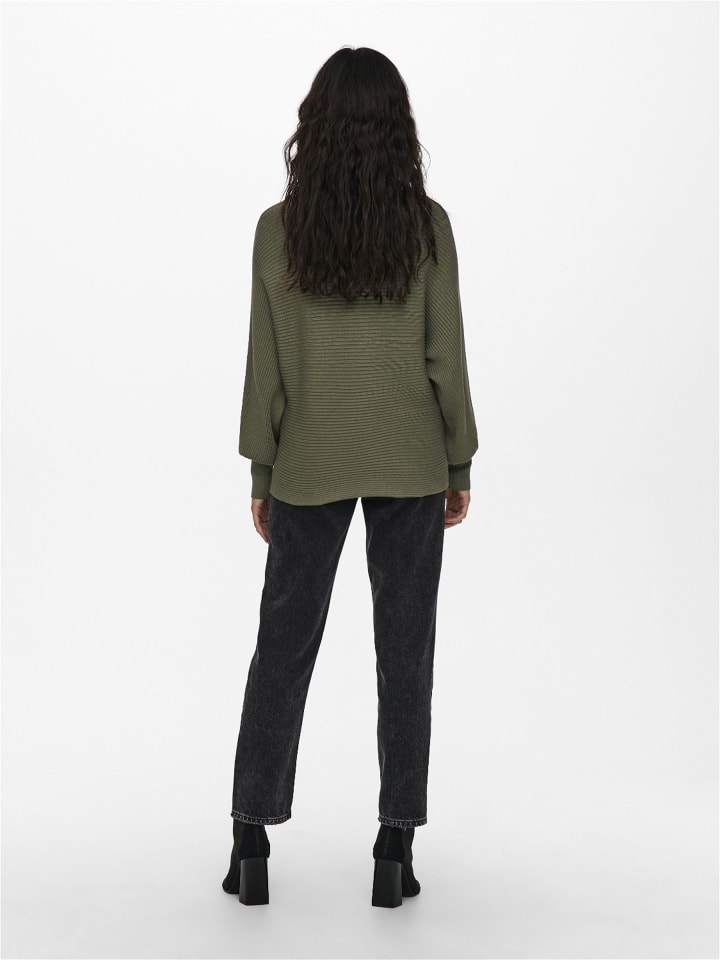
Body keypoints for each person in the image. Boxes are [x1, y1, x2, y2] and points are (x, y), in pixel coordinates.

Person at [222, 45, 478, 908]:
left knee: (282, 646)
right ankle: (394, 844)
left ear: (316, 128)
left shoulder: (276, 229)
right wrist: (458, 458)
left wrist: (263, 469)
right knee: (406, 651)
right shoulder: (427, 227)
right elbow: (445, 356)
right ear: (397, 129)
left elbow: (266, 369)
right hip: (410, 458)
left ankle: (250, 837)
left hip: (309, 460)